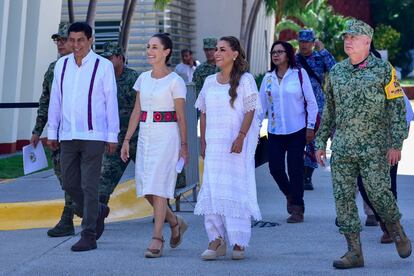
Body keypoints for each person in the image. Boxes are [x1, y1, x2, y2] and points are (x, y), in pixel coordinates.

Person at [315, 19, 412, 269]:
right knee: (343, 198)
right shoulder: (336, 72)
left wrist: (396, 144)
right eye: (346, 37)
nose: (348, 40)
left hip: (375, 148)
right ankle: (353, 251)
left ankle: (396, 228)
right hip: (344, 147)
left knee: (379, 195)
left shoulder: (383, 70)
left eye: (354, 37)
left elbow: (397, 110)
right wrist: (319, 141)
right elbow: (329, 112)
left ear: (367, 41)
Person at [47, 22, 119, 252]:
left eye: (80, 40)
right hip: (68, 135)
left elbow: (111, 102)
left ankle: (88, 234)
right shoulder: (61, 65)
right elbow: (55, 100)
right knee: (69, 183)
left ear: (90, 40)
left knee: (89, 185)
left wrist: (112, 135)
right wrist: (52, 131)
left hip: (94, 135)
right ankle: (97, 210)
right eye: (72, 40)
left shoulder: (103, 66)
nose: (75, 45)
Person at [120, 33, 189, 258]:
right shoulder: (143, 78)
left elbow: (181, 117)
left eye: (155, 47)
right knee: (146, 187)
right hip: (146, 136)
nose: (150, 51)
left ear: (166, 52)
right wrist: (127, 140)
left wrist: (184, 145)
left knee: (159, 187)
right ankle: (175, 221)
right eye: (148, 46)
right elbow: (137, 111)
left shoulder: (176, 81)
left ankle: (157, 237)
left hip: (167, 136)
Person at [194, 36, 262, 261]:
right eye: (215, 49)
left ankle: (239, 240)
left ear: (235, 54)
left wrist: (242, 136)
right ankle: (216, 240)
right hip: (214, 146)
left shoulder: (246, 80)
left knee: (235, 189)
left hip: (235, 146)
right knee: (213, 189)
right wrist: (203, 141)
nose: (216, 53)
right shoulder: (209, 82)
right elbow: (203, 113)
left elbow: (251, 110)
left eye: (222, 49)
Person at [259, 41, 318, 223]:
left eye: (280, 52)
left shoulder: (299, 74)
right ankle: (289, 195)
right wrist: (254, 131)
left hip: (297, 130)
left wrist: (310, 127)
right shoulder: (268, 78)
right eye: (273, 52)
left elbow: (312, 103)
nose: (276, 55)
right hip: (275, 131)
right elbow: (261, 108)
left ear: (288, 54)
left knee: (295, 169)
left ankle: (298, 209)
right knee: (275, 168)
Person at [30, 22, 74, 238]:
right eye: (58, 39)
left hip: (84, 134)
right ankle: (83, 214)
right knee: (65, 178)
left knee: (80, 178)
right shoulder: (53, 69)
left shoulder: (89, 66)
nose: (59, 43)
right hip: (60, 134)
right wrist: (38, 130)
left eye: (63, 39)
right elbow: (45, 101)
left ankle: (72, 218)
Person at [98, 42, 139, 205]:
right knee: (104, 179)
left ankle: (164, 213)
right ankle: (97, 216)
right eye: (105, 58)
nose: (107, 61)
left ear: (120, 58)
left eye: (110, 57)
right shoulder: (101, 80)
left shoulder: (134, 78)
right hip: (114, 139)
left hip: (136, 137)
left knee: (149, 177)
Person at [296, 29, 336, 190]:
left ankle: (307, 176)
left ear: (313, 43)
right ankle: (298, 172)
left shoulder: (320, 58)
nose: (304, 45)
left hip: (318, 105)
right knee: (298, 140)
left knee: (313, 140)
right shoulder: (294, 60)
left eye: (307, 42)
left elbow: (335, 70)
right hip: (298, 105)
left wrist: (323, 50)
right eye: (301, 42)